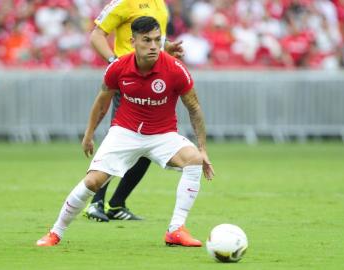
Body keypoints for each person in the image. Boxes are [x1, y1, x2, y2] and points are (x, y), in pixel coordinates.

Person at [36, 16, 214, 247]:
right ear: (133, 41)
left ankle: (175, 229)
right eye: (146, 40)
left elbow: (194, 107)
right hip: (124, 133)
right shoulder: (118, 68)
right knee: (92, 182)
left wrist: (202, 149)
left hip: (163, 135)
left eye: (157, 40)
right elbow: (102, 103)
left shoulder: (175, 69)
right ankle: (55, 232)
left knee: (194, 160)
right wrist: (89, 135)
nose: (153, 46)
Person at [85, 0, 184, 222]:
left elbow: (154, 40)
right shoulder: (123, 3)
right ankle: (95, 203)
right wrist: (114, 62)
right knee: (121, 141)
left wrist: (166, 48)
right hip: (129, 79)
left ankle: (117, 204)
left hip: (154, 80)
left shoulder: (159, 4)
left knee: (150, 140)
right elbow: (96, 35)